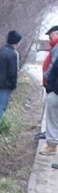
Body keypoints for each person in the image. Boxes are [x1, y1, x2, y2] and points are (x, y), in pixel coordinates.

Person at [40, 25, 58, 155]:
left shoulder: (57, 48)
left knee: (52, 116)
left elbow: (53, 68)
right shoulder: (54, 47)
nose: (50, 38)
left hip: (55, 89)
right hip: (54, 87)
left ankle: (51, 144)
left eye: (51, 35)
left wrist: (50, 85)